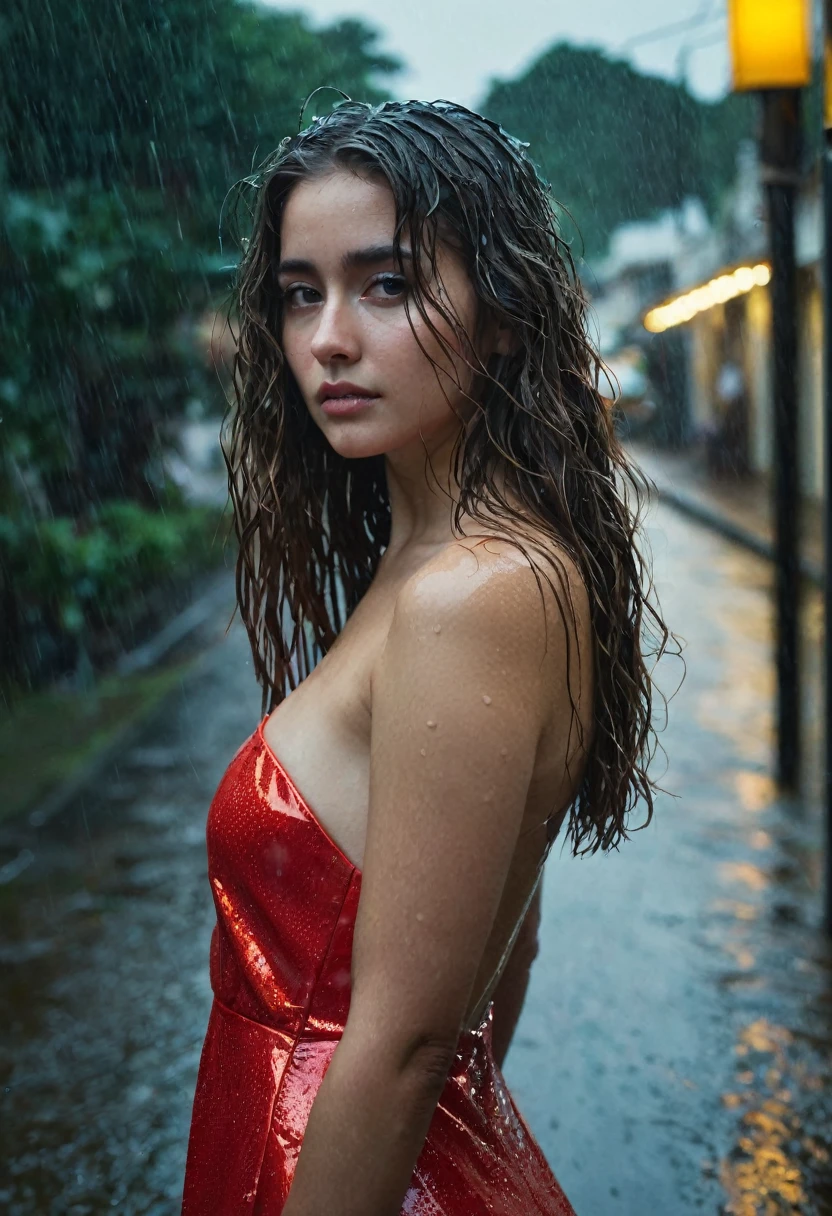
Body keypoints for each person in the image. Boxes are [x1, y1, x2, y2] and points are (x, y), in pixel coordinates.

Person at [182, 97, 670, 1216]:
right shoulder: (436, 563)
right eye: (301, 293)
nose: (327, 338)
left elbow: (406, 1043)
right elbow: (509, 949)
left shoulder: (471, 591)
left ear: (502, 313)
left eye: (385, 284)